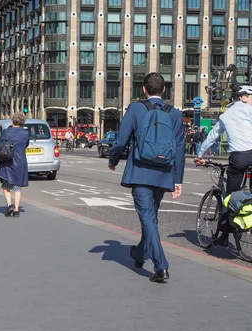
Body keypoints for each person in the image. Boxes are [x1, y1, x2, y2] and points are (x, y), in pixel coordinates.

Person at [108, 72, 185, 283]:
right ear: (164, 90)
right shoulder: (175, 114)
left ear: (143, 89)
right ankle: (140, 254)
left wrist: (113, 159)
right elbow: (179, 149)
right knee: (150, 218)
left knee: (148, 219)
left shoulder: (135, 108)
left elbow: (122, 138)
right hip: (163, 173)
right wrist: (178, 180)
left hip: (141, 171)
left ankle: (161, 266)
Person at [195, 85, 252, 246]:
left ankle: (225, 237)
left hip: (239, 158)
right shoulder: (249, 110)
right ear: (244, 97)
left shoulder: (227, 115)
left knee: (229, 198)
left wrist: (199, 155)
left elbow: (212, 136)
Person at [0, 112, 30, 218]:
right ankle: (16, 210)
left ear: (12, 121)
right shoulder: (26, 133)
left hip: (7, 161)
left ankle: (9, 205)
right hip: (20, 162)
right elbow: (26, 144)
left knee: (6, 185)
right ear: (22, 122)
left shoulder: (6, 132)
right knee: (17, 187)